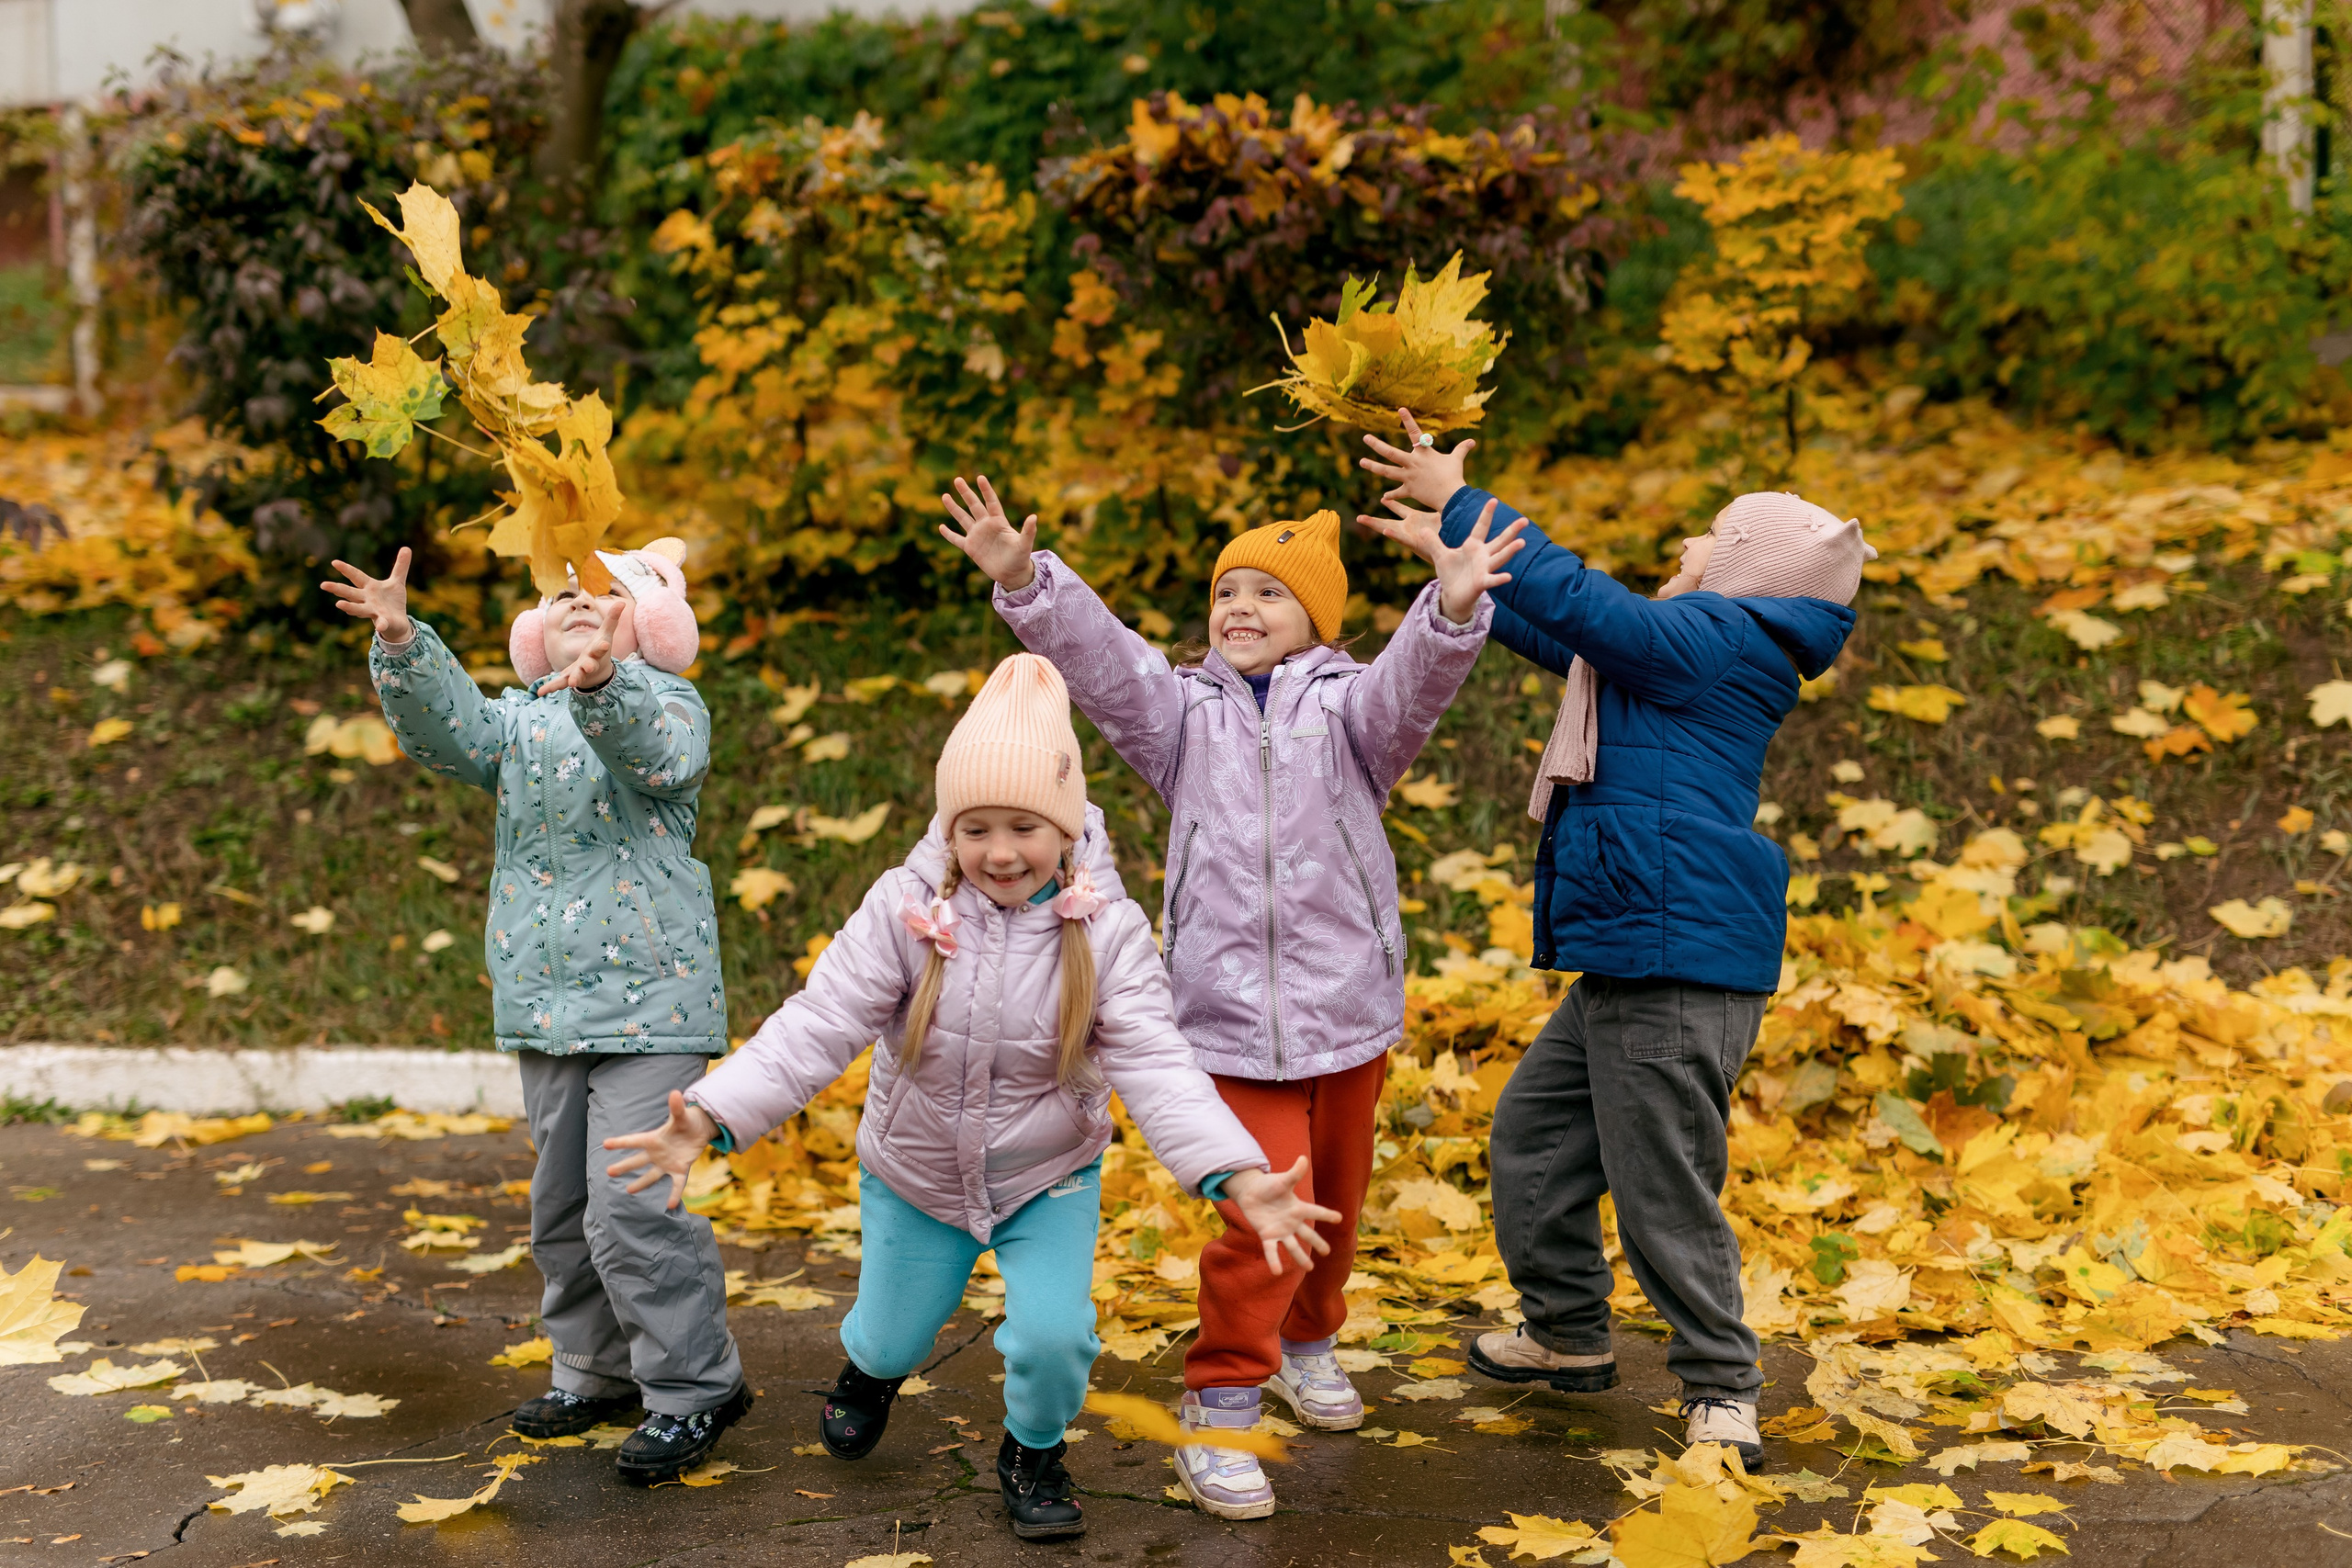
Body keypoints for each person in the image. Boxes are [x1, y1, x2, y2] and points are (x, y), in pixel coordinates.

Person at [604, 653, 1339, 1542]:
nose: (999, 852)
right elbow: (819, 1022)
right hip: (915, 1171)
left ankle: (1032, 1451)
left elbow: (1156, 1060)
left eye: (1025, 827)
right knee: (890, 1336)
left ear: (1065, 828)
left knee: (1054, 1339)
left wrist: (1232, 1170)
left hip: (1047, 1174)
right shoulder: (902, 911)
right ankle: (869, 1373)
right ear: (947, 829)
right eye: (976, 827)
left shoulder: (1105, 931)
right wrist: (717, 1115)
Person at [939, 476, 1522, 1517]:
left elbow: (1413, 686)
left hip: (1346, 1010)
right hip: (1226, 1020)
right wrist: (1027, 580)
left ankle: (1309, 1341)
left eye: (1269, 594)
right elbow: (1105, 662)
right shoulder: (1180, 717)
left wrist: (1451, 608)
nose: (1241, 609)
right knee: (1262, 1219)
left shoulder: (1353, 714)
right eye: (1227, 593)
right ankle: (1219, 1407)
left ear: (1317, 621)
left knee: (1331, 1212)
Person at [1356, 412, 1869, 1470]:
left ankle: (1722, 1388)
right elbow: (1568, 631)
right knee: (1537, 1137)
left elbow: (1594, 609)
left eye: (1707, 537)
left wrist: (1465, 501)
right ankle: (1566, 1334)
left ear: (1744, 570)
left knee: (1661, 1185)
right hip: (1641, 946)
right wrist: (1469, 573)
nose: (1687, 546)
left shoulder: (1725, 644)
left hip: (1677, 954)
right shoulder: (1684, 652)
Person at [322, 540, 750, 1484]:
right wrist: (401, 638)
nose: (579, 603)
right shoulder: (514, 726)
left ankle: (694, 1388)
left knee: (632, 1208)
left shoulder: (668, 702)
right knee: (561, 1210)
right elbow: (445, 731)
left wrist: (604, 686)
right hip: (547, 1009)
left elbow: (660, 758)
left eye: (603, 594)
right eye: (562, 595)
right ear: (532, 631)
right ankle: (595, 1369)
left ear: (649, 624)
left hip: (654, 1008)